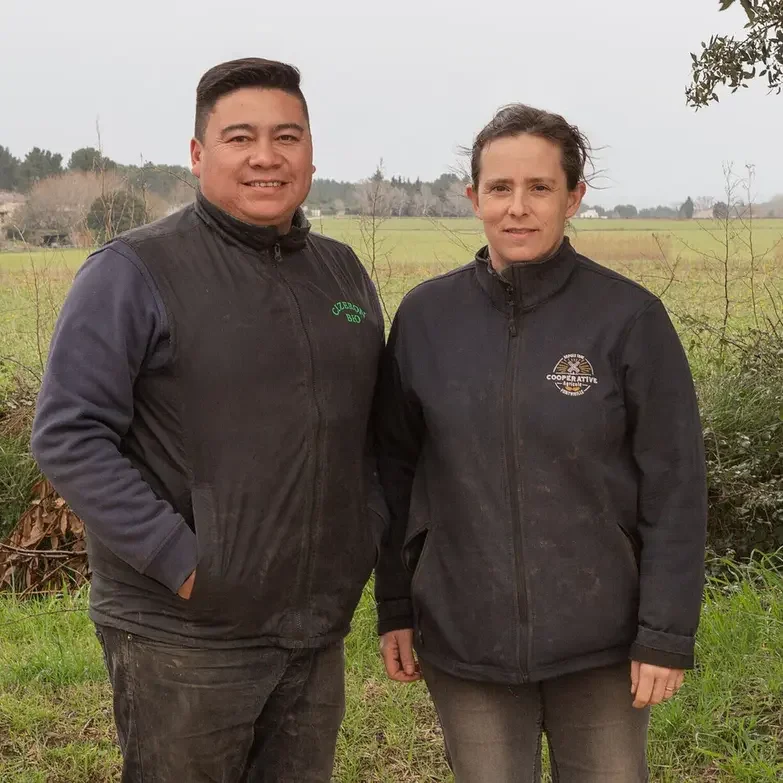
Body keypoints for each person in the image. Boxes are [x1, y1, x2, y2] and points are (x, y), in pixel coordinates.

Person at [31, 58, 387, 783]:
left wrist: (362, 541)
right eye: (239, 137)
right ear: (198, 154)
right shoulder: (133, 270)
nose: (265, 156)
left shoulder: (342, 273)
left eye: (286, 136)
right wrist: (185, 562)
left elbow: (371, 434)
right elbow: (68, 431)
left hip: (313, 629)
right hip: (184, 634)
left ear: (311, 153)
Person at [375, 104, 707, 782]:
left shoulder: (627, 318)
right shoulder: (425, 319)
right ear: (472, 198)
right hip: (465, 641)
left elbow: (674, 483)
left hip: (603, 645)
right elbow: (392, 472)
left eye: (539, 188)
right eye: (499, 188)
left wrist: (665, 632)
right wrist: (396, 606)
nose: (517, 207)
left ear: (573, 196)